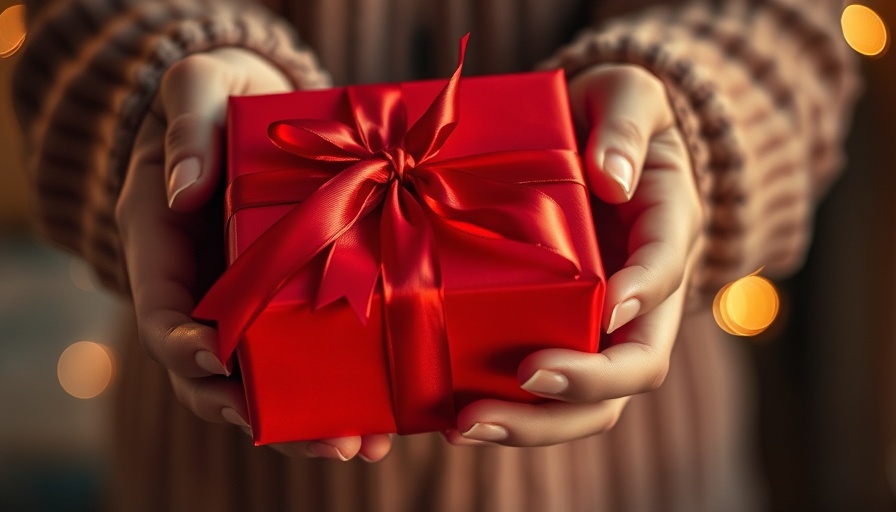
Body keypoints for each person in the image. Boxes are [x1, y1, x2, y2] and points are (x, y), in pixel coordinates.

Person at [12, 0, 859, 510]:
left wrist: (692, 107)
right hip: (223, 482)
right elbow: (70, 15)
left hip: (635, 474)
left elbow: (792, 22)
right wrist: (158, 78)